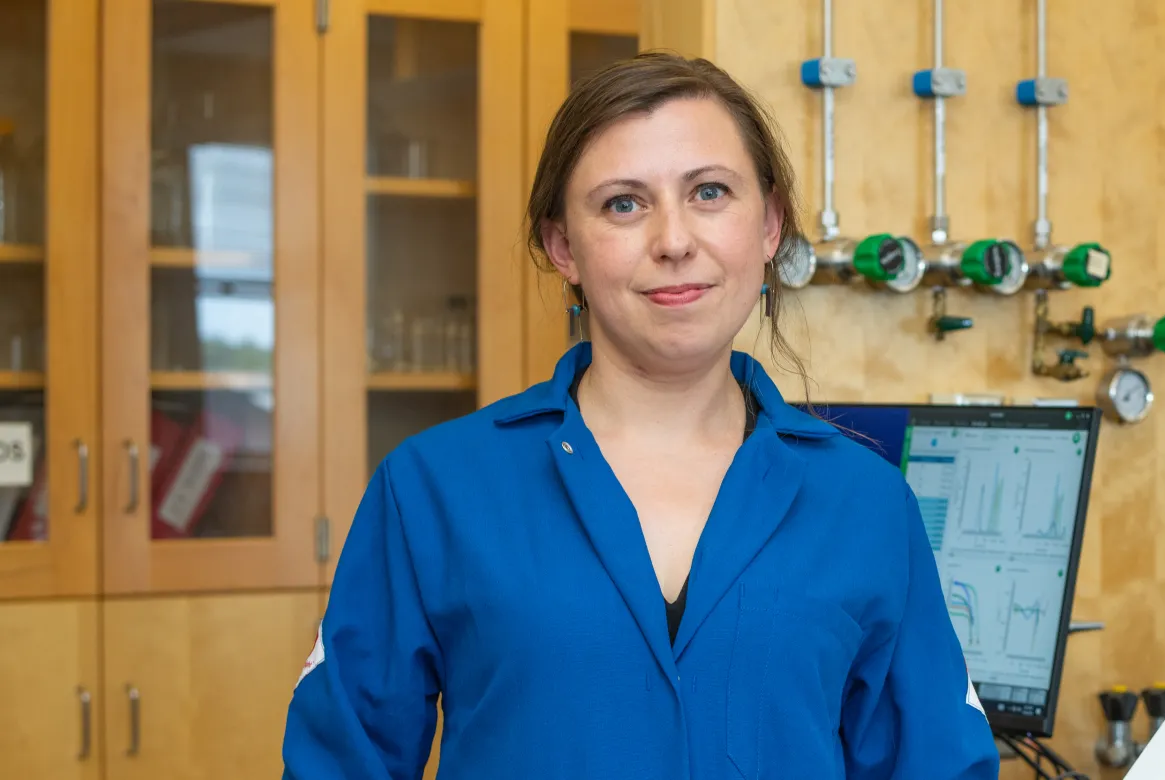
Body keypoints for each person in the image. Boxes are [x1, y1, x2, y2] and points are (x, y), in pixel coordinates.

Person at [281, 52, 999, 779]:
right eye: (624, 203)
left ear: (770, 225)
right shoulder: (434, 489)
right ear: (563, 246)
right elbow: (339, 762)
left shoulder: (865, 503)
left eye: (710, 192)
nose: (674, 240)